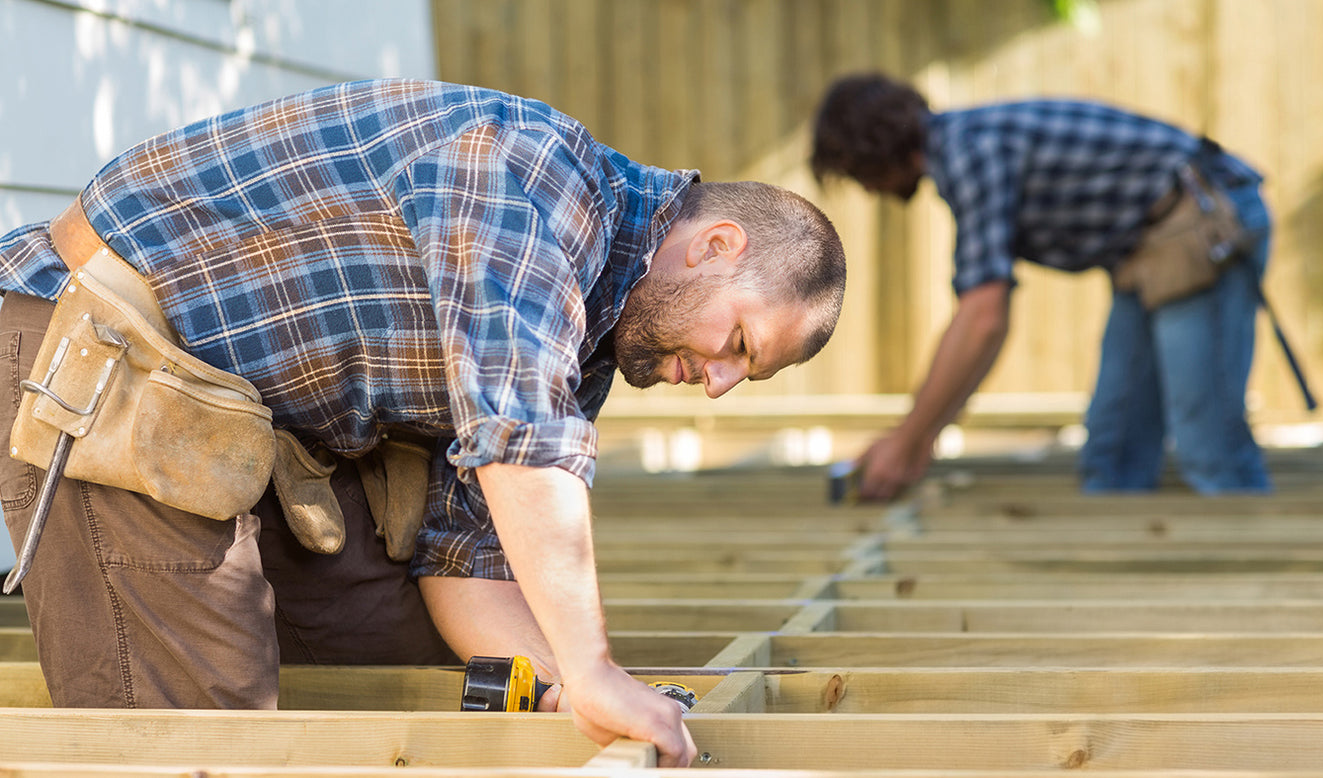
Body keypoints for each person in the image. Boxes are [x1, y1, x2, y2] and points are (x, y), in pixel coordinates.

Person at [0, 79, 846, 768]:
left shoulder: (587, 341)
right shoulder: (537, 176)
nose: (721, 384)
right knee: (205, 736)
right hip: (103, 359)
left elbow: (465, 557)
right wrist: (593, 666)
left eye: (747, 372)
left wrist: (562, 689)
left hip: (236, 429)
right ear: (716, 245)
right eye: (738, 342)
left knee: (392, 652)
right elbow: (519, 431)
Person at [810, 72, 1275, 501]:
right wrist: (918, 438)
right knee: (1113, 462)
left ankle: (1262, 575)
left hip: (1204, 222)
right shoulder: (963, 147)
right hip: (1147, 246)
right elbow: (981, 326)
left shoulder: (970, 151)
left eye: (858, 175)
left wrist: (908, 440)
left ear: (874, 151)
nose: (868, 191)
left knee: (1208, 448)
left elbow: (983, 320)